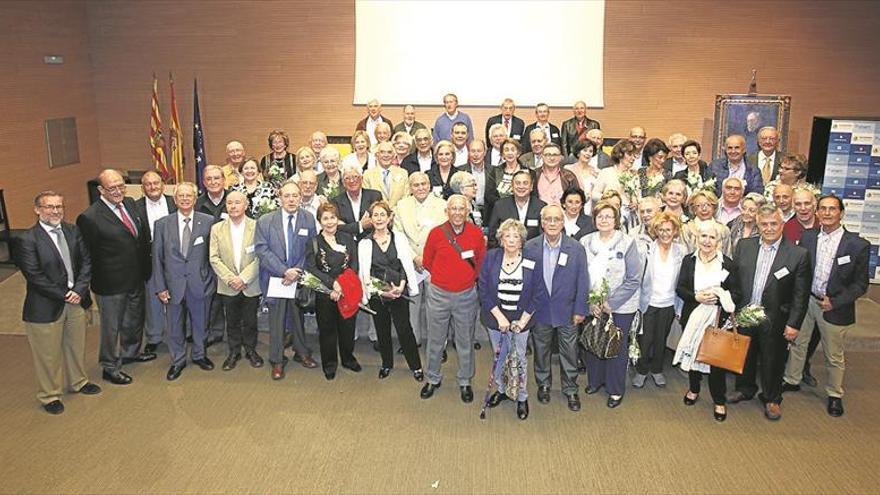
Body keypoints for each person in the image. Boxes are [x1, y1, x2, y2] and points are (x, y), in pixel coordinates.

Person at [781, 195, 870, 417]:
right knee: (799, 343)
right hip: (807, 300)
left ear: (841, 212)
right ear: (817, 213)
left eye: (832, 209)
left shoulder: (858, 245)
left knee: (834, 354)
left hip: (834, 306)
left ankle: (834, 394)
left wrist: (836, 301)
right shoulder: (809, 237)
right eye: (823, 209)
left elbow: (861, 284)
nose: (827, 213)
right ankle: (792, 379)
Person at [16, 191, 101, 414]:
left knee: (76, 345)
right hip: (45, 306)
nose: (56, 211)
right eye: (50, 207)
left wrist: (79, 290)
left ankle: (79, 382)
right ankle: (49, 395)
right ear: (37, 210)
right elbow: (34, 275)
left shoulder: (73, 231)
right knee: (48, 354)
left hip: (75, 301)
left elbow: (86, 263)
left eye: (59, 207)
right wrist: (64, 293)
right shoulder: (28, 239)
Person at [728, 205, 810, 421]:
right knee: (745, 354)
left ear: (782, 225)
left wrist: (794, 324)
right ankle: (745, 388)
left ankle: (772, 398)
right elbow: (735, 282)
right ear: (758, 225)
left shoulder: (798, 254)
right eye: (764, 224)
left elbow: (800, 295)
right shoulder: (744, 246)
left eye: (774, 224)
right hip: (745, 313)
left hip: (775, 317)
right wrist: (732, 309)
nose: (769, 228)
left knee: (772, 359)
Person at [76, 169, 154, 385]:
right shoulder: (89, 217)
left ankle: (130, 352)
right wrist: (84, 288)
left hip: (136, 277)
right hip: (110, 284)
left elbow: (139, 238)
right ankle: (109, 366)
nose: (118, 191)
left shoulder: (130, 203)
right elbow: (85, 256)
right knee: (111, 327)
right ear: (101, 190)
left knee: (134, 320)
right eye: (112, 188)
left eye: (121, 186)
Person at [523, 204, 589, 411]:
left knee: (569, 352)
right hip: (540, 310)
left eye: (556, 219)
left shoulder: (576, 248)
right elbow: (525, 281)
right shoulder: (530, 247)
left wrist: (580, 310)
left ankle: (570, 389)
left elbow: (583, 280)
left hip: (567, 311)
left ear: (563, 222)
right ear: (542, 223)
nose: (552, 223)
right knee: (541, 351)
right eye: (548, 219)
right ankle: (543, 384)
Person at [420, 195, 486, 402]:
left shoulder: (476, 234)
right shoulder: (436, 233)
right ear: (446, 211)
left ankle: (465, 381)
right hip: (439, 294)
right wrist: (445, 280)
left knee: (465, 340)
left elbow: (480, 264)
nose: (457, 212)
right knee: (435, 339)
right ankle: (432, 377)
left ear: (467, 211)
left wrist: (465, 281)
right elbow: (428, 262)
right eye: (453, 208)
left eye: (461, 209)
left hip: (466, 295)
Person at [673, 220, 740, 422]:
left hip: (718, 320)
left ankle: (719, 400)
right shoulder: (689, 261)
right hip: (692, 316)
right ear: (697, 238)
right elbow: (680, 288)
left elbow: (738, 293)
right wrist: (696, 297)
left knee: (715, 361)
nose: (707, 241)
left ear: (719, 241)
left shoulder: (727, 263)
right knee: (693, 355)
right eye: (704, 236)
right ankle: (694, 389)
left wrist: (719, 298)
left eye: (712, 237)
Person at [254, 180, 319, 380]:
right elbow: (261, 250)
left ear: (301, 198)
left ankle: (302, 353)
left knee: (297, 318)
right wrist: (284, 271)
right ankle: (277, 360)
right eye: (287, 196)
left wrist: (296, 271)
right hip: (276, 279)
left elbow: (312, 248)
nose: (291, 200)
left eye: (295, 196)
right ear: (280, 198)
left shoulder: (308, 218)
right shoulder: (265, 221)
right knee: (276, 321)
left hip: (298, 278)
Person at [152, 182, 216, 381]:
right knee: (175, 325)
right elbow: (157, 258)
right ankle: (177, 360)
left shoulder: (208, 221)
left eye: (189, 196)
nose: (185, 199)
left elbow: (213, 254)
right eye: (181, 196)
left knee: (200, 323)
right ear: (175, 199)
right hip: (173, 286)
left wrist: (211, 281)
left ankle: (199, 354)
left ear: (195, 199)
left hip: (200, 283)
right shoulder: (162, 224)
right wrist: (160, 287)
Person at [582, 200, 642, 408]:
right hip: (594, 304)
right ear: (594, 219)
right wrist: (591, 303)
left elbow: (634, 278)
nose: (604, 220)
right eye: (600, 216)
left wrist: (611, 302)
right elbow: (581, 276)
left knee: (616, 345)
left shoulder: (627, 242)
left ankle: (615, 389)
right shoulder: (585, 241)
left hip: (621, 306)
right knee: (595, 340)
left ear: (616, 220)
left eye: (609, 216)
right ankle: (595, 381)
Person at [357, 201, 424, 380]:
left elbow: (405, 264)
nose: (379, 219)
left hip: (399, 292)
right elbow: (365, 272)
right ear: (370, 219)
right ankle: (387, 364)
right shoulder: (364, 243)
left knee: (404, 330)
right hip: (377, 294)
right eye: (375, 215)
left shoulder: (399, 238)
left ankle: (416, 366)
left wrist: (401, 285)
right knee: (382, 330)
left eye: (382, 215)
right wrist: (381, 292)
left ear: (389, 217)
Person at [480, 219, 535, 420]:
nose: (511, 240)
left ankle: (521, 396)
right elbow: (483, 290)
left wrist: (522, 321)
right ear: (501, 239)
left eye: (515, 236)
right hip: (496, 318)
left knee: (519, 358)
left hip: (522, 320)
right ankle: (502, 390)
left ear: (521, 240)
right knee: (500, 356)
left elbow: (537, 294)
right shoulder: (491, 257)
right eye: (507, 236)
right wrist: (499, 316)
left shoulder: (530, 260)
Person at [305, 203, 362, 380]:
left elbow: (354, 264)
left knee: (347, 328)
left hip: (347, 290)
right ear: (319, 221)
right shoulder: (314, 242)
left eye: (332, 217)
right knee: (327, 329)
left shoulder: (348, 239)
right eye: (325, 218)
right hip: (325, 292)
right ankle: (329, 364)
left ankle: (348, 359)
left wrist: (342, 286)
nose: (329, 222)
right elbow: (312, 268)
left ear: (338, 219)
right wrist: (332, 285)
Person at [209, 191, 264, 371]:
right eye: (230, 203)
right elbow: (214, 257)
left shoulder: (257, 227)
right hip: (228, 284)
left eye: (237, 202)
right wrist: (230, 279)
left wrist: (243, 278)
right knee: (231, 320)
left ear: (246, 205)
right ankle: (234, 351)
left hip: (250, 283)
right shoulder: (217, 228)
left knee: (250, 320)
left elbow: (260, 256)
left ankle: (250, 349)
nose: (233, 206)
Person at [394, 172, 448, 346]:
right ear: (410, 188)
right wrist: (414, 257)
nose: (420, 188)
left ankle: (438, 344)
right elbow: (398, 235)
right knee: (412, 306)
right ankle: (412, 341)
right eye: (416, 185)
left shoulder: (442, 206)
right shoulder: (401, 206)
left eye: (424, 184)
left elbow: (446, 236)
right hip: (410, 262)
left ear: (429, 185)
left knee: (437, 307)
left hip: (435, 263)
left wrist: (427, 258)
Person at [634, 212, 686, 389]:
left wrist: (679, 308)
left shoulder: (681, 251)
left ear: (675, 231)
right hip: (648, 302)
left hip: (669, 302)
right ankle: (641, 371)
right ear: (656, 230)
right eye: (661, 229)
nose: (665, 233)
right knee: (645, 339)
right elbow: (638, 277)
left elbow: (682, 280)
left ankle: (657, 370)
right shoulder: (646, 250)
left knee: (660, 339)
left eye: (668, 230)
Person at [132, 170, 176, 356]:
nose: (153, 187)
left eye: (156, 183)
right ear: (142, 188)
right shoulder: (134, 208)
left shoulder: (174, 203)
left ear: (163, 185)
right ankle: (154, 337)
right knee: (153, 300)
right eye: (148, 184)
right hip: (149, 259)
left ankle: (182, 333)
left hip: (174, 258)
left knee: (178, 296)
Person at [487, 170, 546, 247]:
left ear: (531, 187)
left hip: (533, 253)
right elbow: (492, 235)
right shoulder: (500, 206)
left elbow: (544, 234)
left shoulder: (541, 206)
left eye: (525, 183)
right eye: (518, 183)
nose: (521, 187)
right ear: (512, 186)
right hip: (506, 253)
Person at [592, 140, 639, 225]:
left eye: (634, 155)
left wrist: (635, 202)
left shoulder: (634, 175)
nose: (633, 158)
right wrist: (608, 200)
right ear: (620, 155)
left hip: (628, 218)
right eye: (629, 154)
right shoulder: (606, 172)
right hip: (609, 214)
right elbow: (594, 194)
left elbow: (637, 196)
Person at [332, 165, 382, 239]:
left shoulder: (374, 196)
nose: (352, 181)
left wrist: (348, 227)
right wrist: (360, 225)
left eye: (355, 177)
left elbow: (378, 221)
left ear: (361, 179)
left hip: (372, 241)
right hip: (347, 243)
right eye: (347, 178)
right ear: (343, 182)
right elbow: (337, 227)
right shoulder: (336, 202)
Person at [681, 190, 732, 257]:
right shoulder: (686, 229)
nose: (704, 209)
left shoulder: (723, 230)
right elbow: (683, 255)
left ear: (714, 208)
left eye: (708, 205)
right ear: (694, 209)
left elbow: (727, 256)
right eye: (699, 206)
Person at [457, 139, 494, 226]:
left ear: (484, 152)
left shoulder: (493, 170)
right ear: (469, 153)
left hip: (489, 213)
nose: (476, 154)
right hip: (468, 214)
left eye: (479, 151)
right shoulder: (460, 171)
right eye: (473, 151)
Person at [362, 141, 409, 209]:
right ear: (376, 155)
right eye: (382, 152)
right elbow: (367, 200)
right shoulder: (368, 174)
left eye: (389, 152)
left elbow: (406, 198)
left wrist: (394, 213)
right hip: (377, 217)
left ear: (394, 156)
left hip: (399, 215)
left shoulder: (403, 173)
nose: (386, 155)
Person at [565, 140, 600, 212]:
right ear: (578, 153)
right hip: (573, 206)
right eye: (585, 150)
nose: (588, 153)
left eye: (590, 151)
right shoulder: (568, 169)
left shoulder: (597, 172)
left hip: (591, 207)